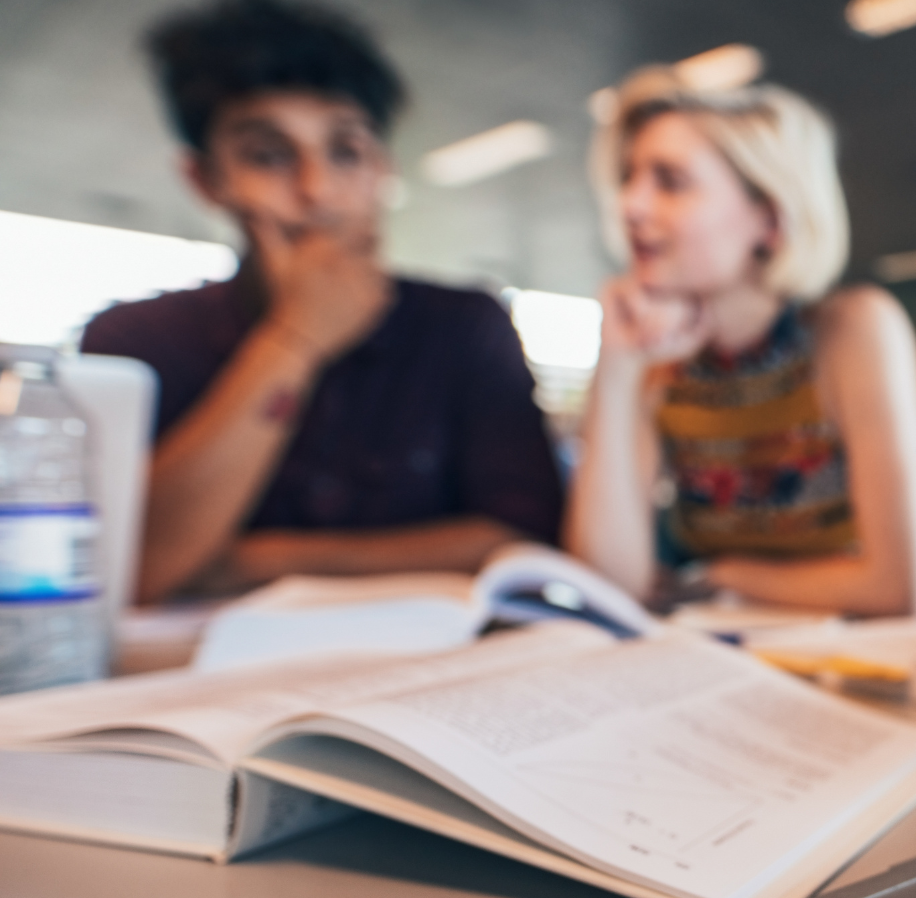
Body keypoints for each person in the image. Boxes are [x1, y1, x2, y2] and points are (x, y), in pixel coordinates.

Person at [82, 0, 565, 604]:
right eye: (269, 155)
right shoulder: (134, 342)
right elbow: (138, 566)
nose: (316, 190)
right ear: (207, 180)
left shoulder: (464, 327)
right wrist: (295, 339)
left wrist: (252, 561)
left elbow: (523, 541)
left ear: (380, 168)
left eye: (344, 151)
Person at [564, 67, 916, 616]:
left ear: (769, 218)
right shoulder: (655, 359)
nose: (631, 206)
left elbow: (897, 591)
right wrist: (616, 370)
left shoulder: (851, 331)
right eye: (629, 178)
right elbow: (608, 587)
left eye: (670, 181)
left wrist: (720, 576)